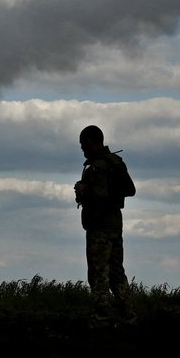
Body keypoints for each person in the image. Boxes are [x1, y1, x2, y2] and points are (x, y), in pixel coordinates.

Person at [73, 124, 136, 325]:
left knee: (98, 274)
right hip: (115, 226)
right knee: (117, 272)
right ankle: (127, 314)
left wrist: (84, 189)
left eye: (84, 145)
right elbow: (130, 190)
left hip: (99, 227)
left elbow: (99, 196)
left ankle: (101, 316)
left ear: (91, 142)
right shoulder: (115, 162)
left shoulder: (98, 166)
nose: (82, 149)